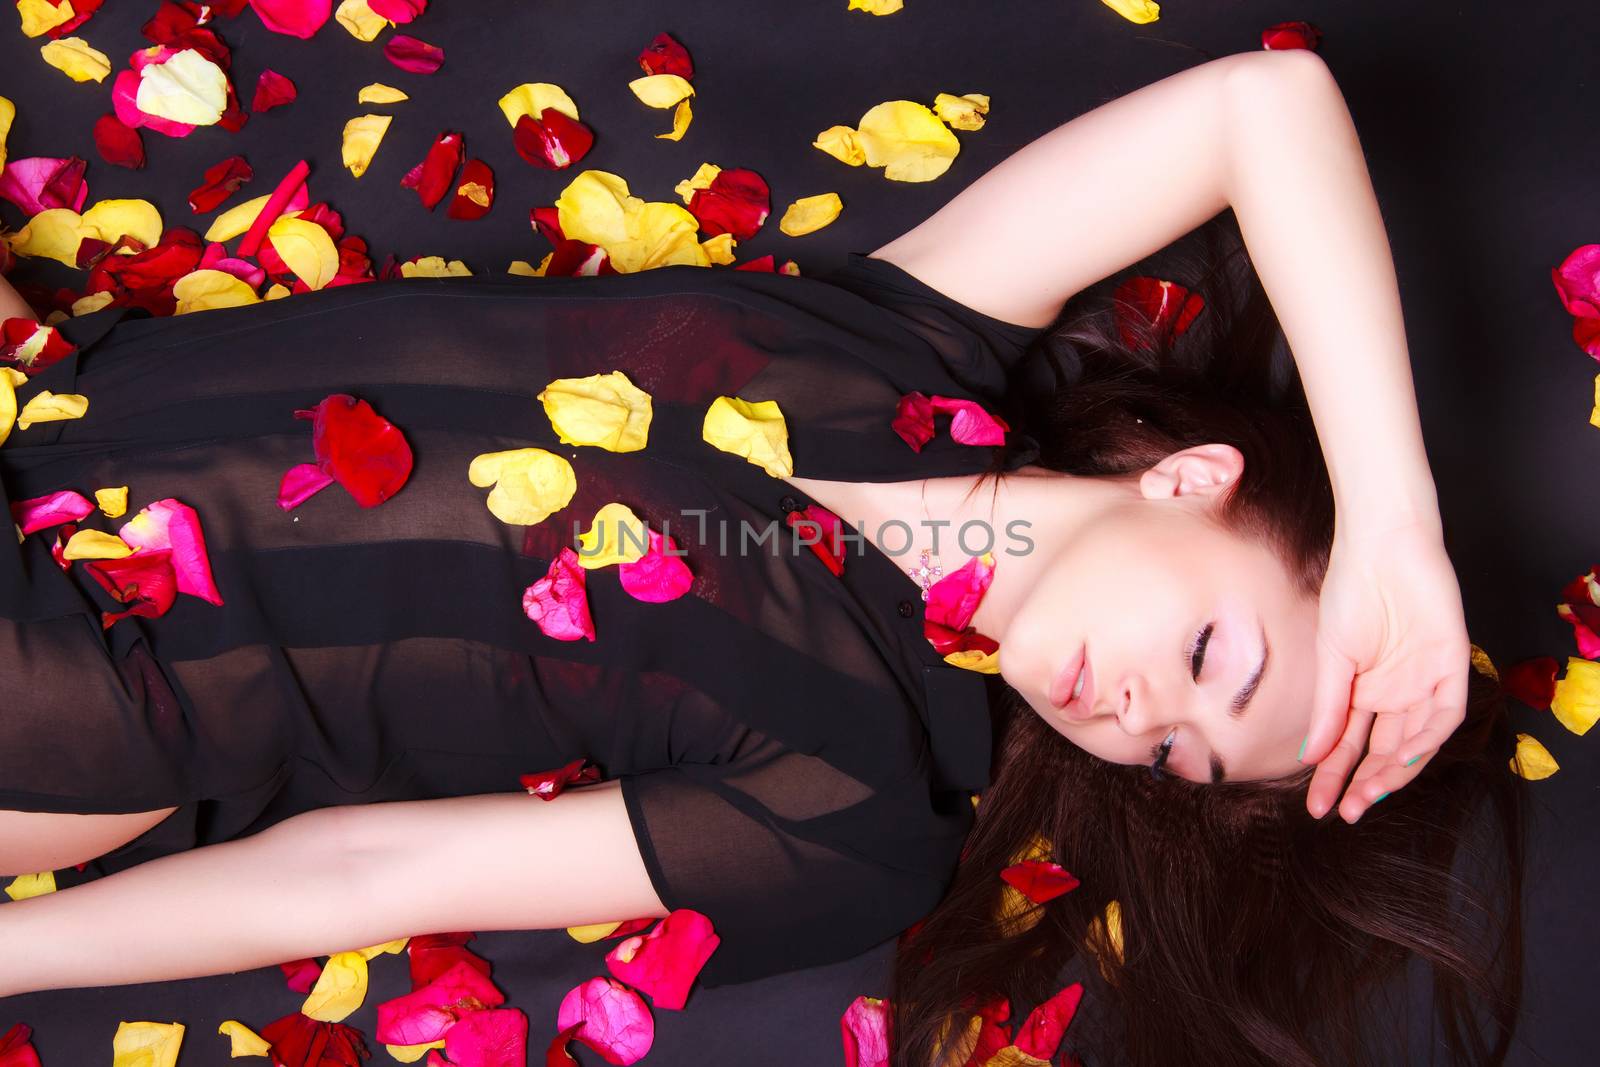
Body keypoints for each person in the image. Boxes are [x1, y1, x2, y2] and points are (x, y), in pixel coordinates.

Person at [0, 48, 1522, 1065]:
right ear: (1194, 482)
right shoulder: (913, 333)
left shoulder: (855, 816)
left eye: (1178, 758)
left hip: (89, 693)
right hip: (55, 410)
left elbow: (370, 872)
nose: (1139, 719)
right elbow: (1266, 106)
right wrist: (1396, 527)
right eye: (1210, 660)